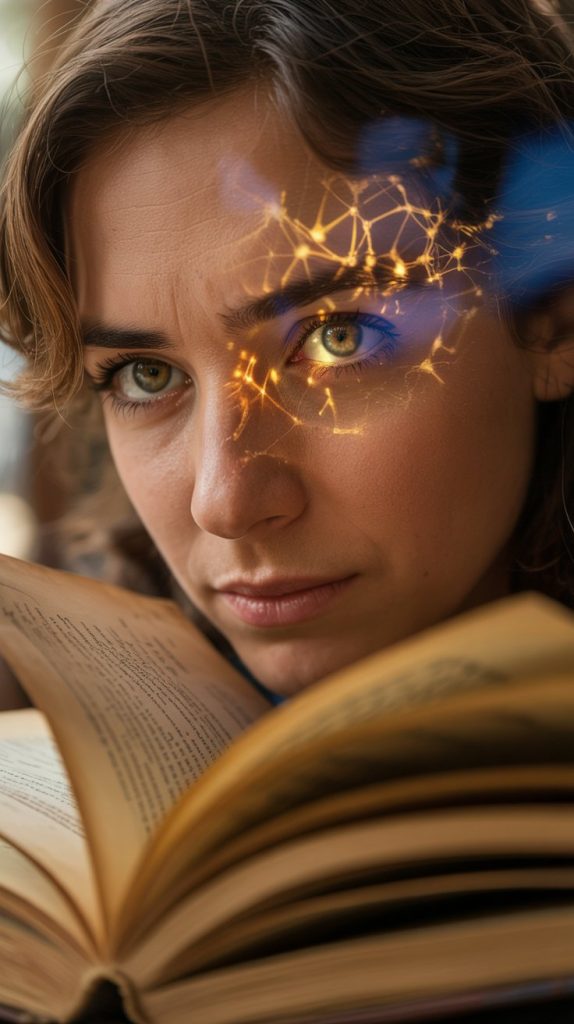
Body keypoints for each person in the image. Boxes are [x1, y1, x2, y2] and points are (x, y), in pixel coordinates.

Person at [1, 0, 574, 704]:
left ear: (550, 315)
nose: (226, 501)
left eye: (340, 340)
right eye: (147, 377)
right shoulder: (36, 708)